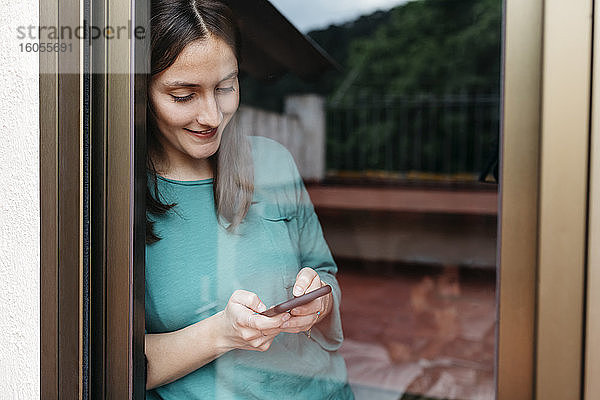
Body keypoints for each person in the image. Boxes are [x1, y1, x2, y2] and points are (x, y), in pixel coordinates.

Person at [144, 1, 354, 399]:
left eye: (225, 88)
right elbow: (109, 363)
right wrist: (221, 333)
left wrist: (320, 302)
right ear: (143, 93)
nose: (212, 115)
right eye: (184, 95)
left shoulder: (273, 162)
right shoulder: (118, 197)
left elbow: (326, 275)